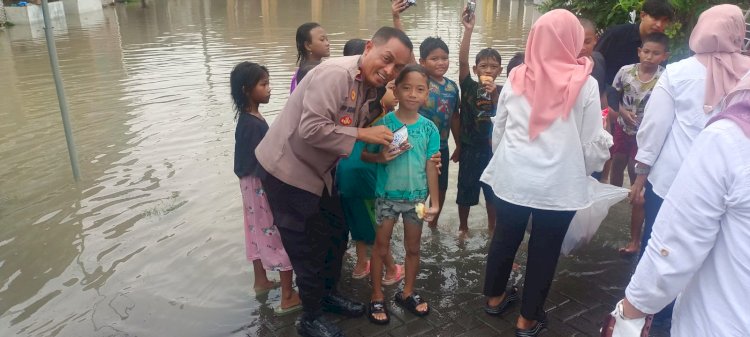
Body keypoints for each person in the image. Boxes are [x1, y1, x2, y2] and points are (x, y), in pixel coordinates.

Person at [255, 26, 413, 337]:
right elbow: (311, 129)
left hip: (320, 172)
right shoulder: (335, 74)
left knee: (335, 234)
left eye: (397, 68)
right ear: (369, 47)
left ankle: (327, 296)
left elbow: (352, 125)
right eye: (387, 59)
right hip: (286, 171)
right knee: (308, 247)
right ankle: (310, 319)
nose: (388, 71)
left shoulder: (371, 85)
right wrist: (362, 134)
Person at [480, 9, 610, 336]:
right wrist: (588, 171)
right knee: (544, 249)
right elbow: (591, 143)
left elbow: (501, 131)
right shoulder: (586, 84)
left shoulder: (517, 76)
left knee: (504, 239)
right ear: (572, 39)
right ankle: (528, 319)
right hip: (558, 184)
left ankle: (494, 299)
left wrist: (510, 161)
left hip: (512, 178)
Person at [627, 4, 750, 324]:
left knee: (661, 249)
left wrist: (641, 175)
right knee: (713, 260)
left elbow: (653, 130)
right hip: (733, 191)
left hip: (671, 185)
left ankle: (653, 317)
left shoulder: (678, 73)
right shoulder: (747, 73)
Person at [605, 74, 750, 337]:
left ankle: (657, 318)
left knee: (658, 237)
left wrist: (631, 311)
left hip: (723, 321)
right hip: (687, 183)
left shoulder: (730, 136)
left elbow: (676, 243)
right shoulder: (736, 74)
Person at [361, 64, 441, 325]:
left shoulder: (430, 129)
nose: (413, 94)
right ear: (395, 89)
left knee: (414, 248)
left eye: (420, 89)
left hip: (416, 199)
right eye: (406, 88)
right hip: (386, 197)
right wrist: (380, 156)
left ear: (427, 93)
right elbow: (364, 154)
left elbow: (432, 165)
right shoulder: (384, 123)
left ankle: (407, 292)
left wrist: (436, 203)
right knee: (380, 247)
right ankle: (376, 295)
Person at [231, 62, 301, 315]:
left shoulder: (249, 118)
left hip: (249, 185)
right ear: (247, 90)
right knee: (278, 231)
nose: (269, 89)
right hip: (260, 185)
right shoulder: (253, 124)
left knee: (255, 229)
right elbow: (264, 160)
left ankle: (261, 280)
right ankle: (288, 295)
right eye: (264, 85)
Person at [337, 39, 403, 284]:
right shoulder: (375, 110)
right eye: (391, 87)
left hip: (344, 171)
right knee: (375, 223)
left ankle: (360, 263)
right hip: (362, 172)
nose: (394, 92)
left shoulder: (354, 104)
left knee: (356, 217)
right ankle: (390, 269)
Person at [608, 32, 669, 255]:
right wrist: (621, 112)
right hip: (623, 128)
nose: (649, 57)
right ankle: (612, 202)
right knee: (617, 162)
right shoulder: (626, 71)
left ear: (664, 56)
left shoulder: (665, 78)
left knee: (637, 179)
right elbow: (613, 94)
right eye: (646, 52)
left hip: (645, 137)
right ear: (639, 52)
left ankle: (635, 227)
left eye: (655, 53)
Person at [452, 7, 503, 233]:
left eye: (493, 67)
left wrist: (494, 94)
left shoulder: (503, 92)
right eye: (483, 66)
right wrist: (468, 30)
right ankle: (463, 227)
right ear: (475, 69)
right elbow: (462, 62)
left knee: (492, 192)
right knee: (465, 191)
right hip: (470, 149)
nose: (488, 70)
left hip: (492, 150)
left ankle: (492, 228)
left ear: (500, 70)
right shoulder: (469, 86)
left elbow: (503, 116)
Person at [595, 0, 673, 113]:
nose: (659, 25)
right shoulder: (616, 35)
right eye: (655, 18)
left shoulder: (661, 47)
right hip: (604, 102)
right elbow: (594, 63)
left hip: (638, 113)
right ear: (642, 15)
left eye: (664, 21)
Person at [416, 37, 460, 229]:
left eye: (444, 57)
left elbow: (454, 118)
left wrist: (458, 144)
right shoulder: (419, 82)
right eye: (434, 58)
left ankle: (433, 225)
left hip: (441, 147)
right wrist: (397, 19)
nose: (441, 62)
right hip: (418, 147)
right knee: (419, 189)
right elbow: (407, 59)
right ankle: (414, 224)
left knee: (441, 189)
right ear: (422, 62)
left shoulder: (452, 88)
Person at [580, 17, 612, 183]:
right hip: (576, 135)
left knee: (595, 178)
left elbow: (602, 95)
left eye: (587, 41)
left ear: (595, 41)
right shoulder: (565, 71)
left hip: (596, 128)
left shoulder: (598, 61)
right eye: (577, 40)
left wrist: (608, 129)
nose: (582, 47)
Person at [290, 22, 330, 93]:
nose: (327, 43)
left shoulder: (304, 66)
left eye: (327, 39)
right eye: (322, 40)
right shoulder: (311, 71)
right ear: (308, 46)